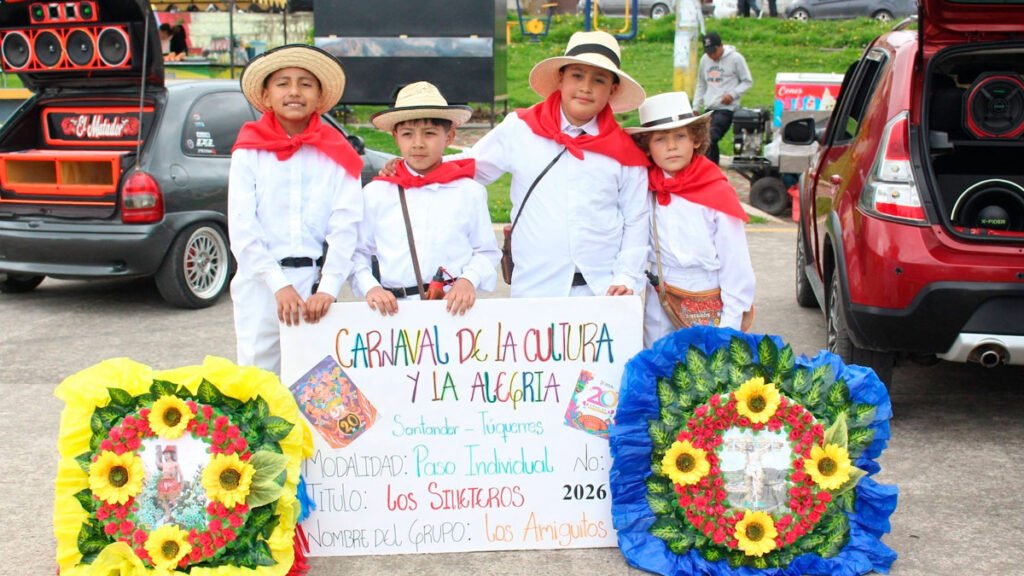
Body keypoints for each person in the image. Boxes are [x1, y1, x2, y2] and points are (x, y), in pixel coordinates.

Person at [382, 31, 649, 298]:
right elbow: (472, 165)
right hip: (536, 288)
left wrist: (626, 276)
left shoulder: (624, 152)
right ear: (561, 78)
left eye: (599, 80)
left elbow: (636, 219)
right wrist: (410, 167)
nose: (585, 87)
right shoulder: (521, 129)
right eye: (577, 76)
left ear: (612, 89)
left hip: (603, 290)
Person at [228, 45, 364, 375]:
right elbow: (243, 227)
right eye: (283, 83)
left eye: (305, 83)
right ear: (266, 94)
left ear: (319, 96)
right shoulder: (248, 152)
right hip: (261, 284)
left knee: (319, 384)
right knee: (259, 379)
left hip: (316, 284)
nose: (294, 92)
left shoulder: (337, 152)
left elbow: (346, 225)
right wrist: (278, 284)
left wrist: (329, 287)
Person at [354, 81, 500, 316]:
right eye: (407, 134)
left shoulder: (469, 192)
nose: (418, 143)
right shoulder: (376, 193)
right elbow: (357, 251)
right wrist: (371, 287)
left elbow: (486, 251)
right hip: (394, 311)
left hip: (454, 310)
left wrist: (468, 280)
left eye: (430, 134)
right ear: (395, 137)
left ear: (449, 136)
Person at [626, 92, 755, 347]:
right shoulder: (642, 188)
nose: (671, 146)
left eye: (680, 136)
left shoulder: (716, 190)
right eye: (660, 139)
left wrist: (730, 323)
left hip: (708, 292)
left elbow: (735, 262)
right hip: (661, 294)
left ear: (695, 140)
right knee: (662, 368)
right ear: (647, 148)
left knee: (707, 374)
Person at [693, 32, 753, 166]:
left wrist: (733, 94)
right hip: (710, 107)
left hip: (727, 108)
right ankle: (706, 167)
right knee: (701, 137)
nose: (711, 56)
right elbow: (701, 83)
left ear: (721, 46)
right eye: (708, 52)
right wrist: (696, 107)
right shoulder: (705, 60)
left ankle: (711, 168)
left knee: (711, 136)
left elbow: (747, 81)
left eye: (713, 52)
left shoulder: (736, 58)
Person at [155, 446, 182, 523]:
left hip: (171, 483)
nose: (166, 455)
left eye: (168, 454)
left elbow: (181, 475)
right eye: (165, 454)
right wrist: (157, 453)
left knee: (172, 499)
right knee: (163, 500)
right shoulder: (163, 464)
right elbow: (157, 463)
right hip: (163, 483)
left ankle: (177, 513)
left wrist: (181, 484)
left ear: (171, 454)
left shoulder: (175, 464)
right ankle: (168, 513)